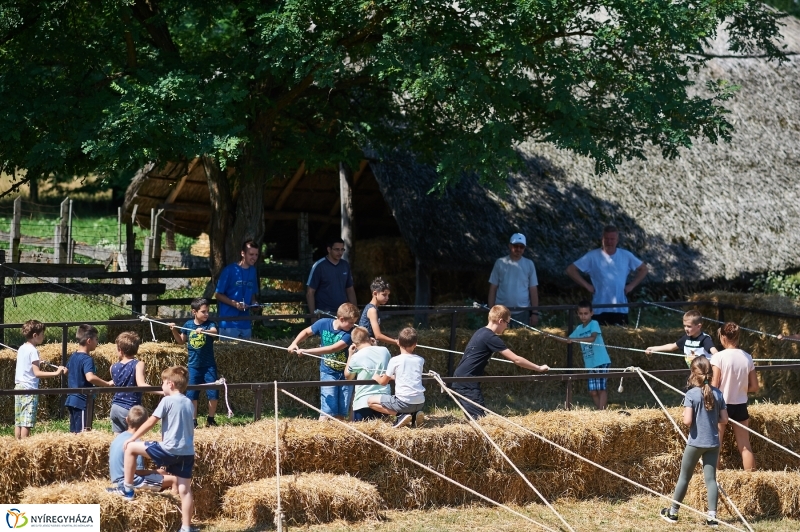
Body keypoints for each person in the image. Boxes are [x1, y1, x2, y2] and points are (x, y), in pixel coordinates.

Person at [115, 366, 196, 532]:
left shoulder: (166, 401)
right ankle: (186, 528)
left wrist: (133, 437)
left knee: (130, 448)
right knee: (185, 490)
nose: (161, 387)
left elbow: (151, 421)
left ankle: (128, 489)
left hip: (169, 449)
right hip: (187, 453)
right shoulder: (189, 402)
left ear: (170, 384)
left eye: (163, 383)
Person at [660, 356, 728, 527]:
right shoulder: (718, 393)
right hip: (713, 443)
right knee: (711, 480)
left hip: (696, 442)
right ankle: (712, 517)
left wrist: (686, 415)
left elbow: (687, 421)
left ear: (693, 374)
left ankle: (673, 512)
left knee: (684, 476)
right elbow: (724, 419)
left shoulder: (691, 394)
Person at [451, 305, 549, 419]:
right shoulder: (491, 338)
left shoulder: (481, 331)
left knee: (477, 417)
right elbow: (516, 359)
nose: (507, 326)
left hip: (462, 378)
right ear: (500, 321)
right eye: (507, 323)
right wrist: (538, 368)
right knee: (479, 420)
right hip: (467, 382)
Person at [288, 302, 359, 420]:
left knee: (343, 408)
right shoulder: (323, 323)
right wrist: (294, 343)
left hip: (346, 374)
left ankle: (338, 433)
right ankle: (321, 432)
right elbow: (306, 332)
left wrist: (306, 351)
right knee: (328, 408)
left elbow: (333, 348)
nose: (353, 325)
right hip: (328, 372)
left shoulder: (349, 333)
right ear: (341, 319)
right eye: (351, 322)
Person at [565, 225, 648, 325]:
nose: (609, 242)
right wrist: (587, 286)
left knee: (621, 338)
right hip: (599, 307)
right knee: (598, 338)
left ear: (617, 240)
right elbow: (571, 270)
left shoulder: (626, 255)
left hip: (619, 307)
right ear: (602, 239)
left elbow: (643, 269)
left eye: (612, 239)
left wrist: (631, 286)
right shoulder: (592, 256)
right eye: (606, 239)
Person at [711, 322, 759, 471]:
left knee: (715, 446)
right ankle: (752, 480)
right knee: (745, 446)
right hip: (740, 405)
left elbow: (714, 385)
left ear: (723, 337)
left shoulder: (718, 357)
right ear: (737, 337)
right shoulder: (747, 357)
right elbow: (755, 387)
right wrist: (741, 389)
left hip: (721, 405)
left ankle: (715, 482)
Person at [170, 298, 219, 428]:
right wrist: (174, 330)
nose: (207, 314)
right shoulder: (188, 325)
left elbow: (214, 332)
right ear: (194, 312)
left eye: (208, 311)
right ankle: (193, 421)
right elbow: (181, 340)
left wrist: (204, 331)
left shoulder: (209, 324)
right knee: (192, 394)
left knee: (213, 393)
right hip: (193, 366)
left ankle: (211, 419)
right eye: (203, 312)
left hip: (209, 366)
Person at [14, 320, 66, 439]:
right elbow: (37, 373)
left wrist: (37, 361)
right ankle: (25, 447)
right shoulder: (33, 350)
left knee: (19, 420)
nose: (44, 336)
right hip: (29, 389)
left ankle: (16, 445)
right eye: (42, 334)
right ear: (35, 335)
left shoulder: (22, 348)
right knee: (27, 421)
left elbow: (27, 365)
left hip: (19, 387)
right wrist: (56, 373)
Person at [108, 405, 176, 493]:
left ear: (127, 419)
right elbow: (138, 472)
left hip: (115, 480)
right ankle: (174, 504)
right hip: (131, 482)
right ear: (145, 424)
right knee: (175, 480)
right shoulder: (135, 443)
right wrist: (156, 472)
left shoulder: (118, 437)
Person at [368, 327, 426, 428]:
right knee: (410, 404)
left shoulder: (395, 360)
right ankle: (413, 414)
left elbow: (383, 382)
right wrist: (393, 377)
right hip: (420, 402)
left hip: (403, 403)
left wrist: (376, 377)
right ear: (415, 344)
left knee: (370, 401)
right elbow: (409, 377)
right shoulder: (420, 360)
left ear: (398, 342)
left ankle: (400, 415)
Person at [65, 324, 113, 433]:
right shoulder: (87, 359)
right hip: (82, 401)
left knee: (74, 432)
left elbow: (67, 371)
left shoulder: (73, 356)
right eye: (96, 339)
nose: (97, 342)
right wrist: (107, 383)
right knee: (83, 433)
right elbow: (90, 377)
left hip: (71, 399)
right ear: (89, 341)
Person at [566, 301, 612, 410]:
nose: (583, 316)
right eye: (581, 313)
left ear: (591, 313)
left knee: (601, 389)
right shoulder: (579, 329)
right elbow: (568, 339)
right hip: (590, 363)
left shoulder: (594, 324)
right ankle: (601, 411)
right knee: (592, 391)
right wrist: (550, 336)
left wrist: (574, 339)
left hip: (601, 361)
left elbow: (592, 338)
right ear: (577, 314)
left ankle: (602, 414)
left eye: (586, 313)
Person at [488, 233, 540, 327]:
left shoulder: (529, 264)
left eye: (521, 247)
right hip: (501, 313)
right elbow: (493, 288)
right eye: (516, 246)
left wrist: (534, 313)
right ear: (510, 246)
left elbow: (533, 290)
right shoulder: (500, 263)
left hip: (522, 313)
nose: (518, 249)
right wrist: (491, 311)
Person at [214, 240, 260, 340]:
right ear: (242, 253)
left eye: (256, 254)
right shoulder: (229, 270)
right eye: (251, 254)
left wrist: (254, 303)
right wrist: (235, 304)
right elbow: (217, 294)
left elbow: (252, 293)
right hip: (229, 321)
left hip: (245, 322)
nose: (254, 257)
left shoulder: (253, 271)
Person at [344, 326, 392, 421]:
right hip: (383, 400)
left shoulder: (356, 357)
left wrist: (350, 355)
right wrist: (376, 346)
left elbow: (348, 376)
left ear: (354, 344)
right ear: (370, 339)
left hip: (363, 401)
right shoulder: (384, 350)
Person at [306, 237, 357, 320]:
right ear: (329, 249)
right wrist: (313, 315)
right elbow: (310, 292)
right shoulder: (319, 266)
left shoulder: (345, 265)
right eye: (337, 249)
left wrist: (355, 312)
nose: (340, 252)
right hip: (324, 314)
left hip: (343, 313)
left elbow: (350, 290)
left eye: (342, 249)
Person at [110, 332, 151, 434]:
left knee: (118, 440)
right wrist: (162, 391)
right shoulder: (138, 364)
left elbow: (116, 383)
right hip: (130, 409)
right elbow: (141, 385)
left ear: (120, 350)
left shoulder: (113, 367)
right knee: (133, 439)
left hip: (115, 407)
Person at [646, 310, 718, 367]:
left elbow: (715, 352)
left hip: (706, 374)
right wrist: (653, 349)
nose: (686, 329)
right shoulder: (686, 338)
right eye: (684, 326)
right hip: (694, 373)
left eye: (689, 326)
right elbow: (672, 347)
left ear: (699, 326)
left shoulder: (704, 339)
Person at [358, 277, 397, 345]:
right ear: (375, 293)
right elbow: (378, 336)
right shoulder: (372, 310)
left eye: (388, 295)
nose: (387, 298)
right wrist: (396, 342)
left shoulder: (374, 308)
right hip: (365, 347)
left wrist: (393, 338)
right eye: (384, 295)